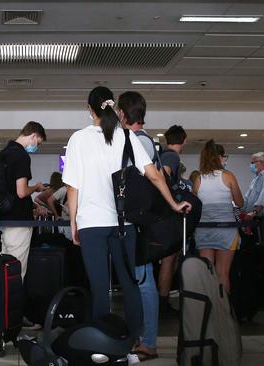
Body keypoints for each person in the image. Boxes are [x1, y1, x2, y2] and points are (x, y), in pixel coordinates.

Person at [63, 86, 190, 359]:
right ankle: (130, 345)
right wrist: (174, 204)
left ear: (89, 109)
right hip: (124, 224)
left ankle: (100, 348)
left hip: (91, 224)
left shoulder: (78, 139)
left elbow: (73, 187)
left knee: (98, 287)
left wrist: (73, 223)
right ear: (114, 108)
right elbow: (154, 176)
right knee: (130, 284)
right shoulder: (127, 137)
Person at [117, 90, 158, 361]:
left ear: (121, 113)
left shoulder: (136, 141)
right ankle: (143, 338)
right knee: (140, 281)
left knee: (143, 282)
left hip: (138, 223)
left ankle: (149, 342)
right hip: (139, 220)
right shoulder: (143, 141)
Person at [193, 139, 244, 293]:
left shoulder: (198, 179)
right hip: (225, 230)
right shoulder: (228, 176)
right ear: (219, 157)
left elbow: (195, 204)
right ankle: (222, 313)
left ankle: (208, 312)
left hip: (204, 229)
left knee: (207, 274)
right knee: (223, 273)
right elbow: (240, 202)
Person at [0, 121, 46, 279]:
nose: (36, 147)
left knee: (4, 269)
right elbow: (21, 192)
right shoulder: (21, 156)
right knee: (17, 271)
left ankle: (2, 302)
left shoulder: (4, 152)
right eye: (37, 143)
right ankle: (13, 303)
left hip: (5, 220)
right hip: (20, 221)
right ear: (33, 136)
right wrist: (36, 188)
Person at [156, 125, 187, 313]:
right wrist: (173, 199)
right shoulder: (172, 156)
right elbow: (162, 176)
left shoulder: (165, 155)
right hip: (167, 215)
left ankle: (162, 299)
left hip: (165, 214)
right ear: (183, 140)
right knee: (169, 260)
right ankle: (163, 302)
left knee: (170, 260)